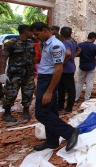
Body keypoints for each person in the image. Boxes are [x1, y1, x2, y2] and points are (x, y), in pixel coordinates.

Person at [30, 22, 79, 151]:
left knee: (41, 114)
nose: (36, 37)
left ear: (45, 30)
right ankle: (52, 141)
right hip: (44, 80)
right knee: (50, 111)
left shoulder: (56, 45)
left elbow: (58, 69)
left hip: (49, 80)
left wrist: (49, 91)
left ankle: (70, 132)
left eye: (37, 33)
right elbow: (46, 65)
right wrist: (39, 85)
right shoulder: (47, 44)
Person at [0, 25, 35, 122]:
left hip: (28, 74)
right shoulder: (11, 43)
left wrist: (35, 70)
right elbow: (3, 58)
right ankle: (7, 113)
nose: (32, 33)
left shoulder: (30, 43)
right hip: (14, 74)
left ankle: (26, 111)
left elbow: (33, 57)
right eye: (30, 31)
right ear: (25, 31)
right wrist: (2, 74)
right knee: (11, 94)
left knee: (28, 93)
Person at [58, 27, 80, 113]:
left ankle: (66, 107)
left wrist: (62, 62)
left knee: (65, 89)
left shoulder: (65, 43)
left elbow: (68, 53)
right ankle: (63, 107)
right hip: (70, 68)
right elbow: (79, 49)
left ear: (61, 34)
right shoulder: (72, 42)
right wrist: (73, 57)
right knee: (66, 88)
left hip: (65, 69)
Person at [76, 32, 96, 101]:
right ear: (93, 38)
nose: (95, 40)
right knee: (90, 82)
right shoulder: (95, 47)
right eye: (95, 39)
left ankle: (76, 98)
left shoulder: (80, 45)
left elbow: (77, 54)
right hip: (91, 67)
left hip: (82, 66)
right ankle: (87, 99)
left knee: (79, 82)